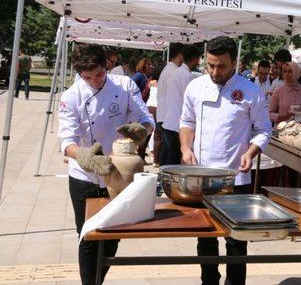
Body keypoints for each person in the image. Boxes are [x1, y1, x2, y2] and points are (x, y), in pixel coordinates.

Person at [58, 44, 153, 285]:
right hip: (85, 177)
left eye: (99, 74)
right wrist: (86, 157)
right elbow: (67, 141)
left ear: (107, 66)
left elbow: (146, 119)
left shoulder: (124, 86)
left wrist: (141, 131)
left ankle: (97, 278)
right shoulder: (71, 96)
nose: (94, 81)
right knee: (89, 237)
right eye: (87, 77)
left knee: (113, 235)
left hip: (119, 174)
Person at [179, 36, 271, 285]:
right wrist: (185, 148)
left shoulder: (251, 91)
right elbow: (186, 122)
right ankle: (209, 280)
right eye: (210, 65)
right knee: (205, 236)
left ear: (234, 62)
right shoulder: (195, 87)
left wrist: (250, 152)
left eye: (221, 66)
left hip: (235, 177)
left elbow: (263, 130)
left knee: (236, 239)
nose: (214, 71)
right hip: (202, 176)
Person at [162, 45, 201, 166]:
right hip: (177, 126)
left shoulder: (176, 73)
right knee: (173, 164)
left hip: (169, 122)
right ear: (196, 59)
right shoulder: (186, 76)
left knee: (166, 162)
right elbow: (193, 103)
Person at [156, 43, 184, 166]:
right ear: (180, 55)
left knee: (166, 153)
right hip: (169, 118)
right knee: (172, 156)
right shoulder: (174, 71)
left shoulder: (168, 69)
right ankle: (167, 183)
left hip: (163, 116)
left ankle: (163, 181)